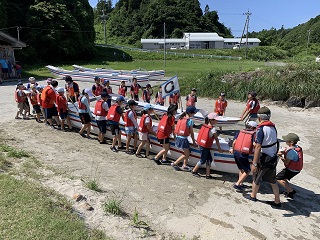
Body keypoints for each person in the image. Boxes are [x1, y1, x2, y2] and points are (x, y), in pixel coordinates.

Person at [246, 106, 281, 208]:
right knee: (272, 181)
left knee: (256, 178)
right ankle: (277, 201)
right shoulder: (273, 127)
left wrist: (254, 163)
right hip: (272, 158)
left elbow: (258, 146)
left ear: (259, 118)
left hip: (264, 158)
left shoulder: (261, 129)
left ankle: (253, 196)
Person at [191, 112, 223, 179]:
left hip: (203, 145)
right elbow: (216, 140)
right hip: (205, 147)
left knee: (209, 159)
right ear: (211, 120)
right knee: (203, 160)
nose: (217, 121)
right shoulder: (213, 129)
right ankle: (194, 171)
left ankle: (208, 175)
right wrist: (219, 148)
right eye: (216, 120)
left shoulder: (204, 126)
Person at [230, 121, 258, 191]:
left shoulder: (240, 132)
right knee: (248, 170)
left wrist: (233, 150)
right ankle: (237, 183)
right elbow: (254, 144)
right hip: (243, 154)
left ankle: (240, 184)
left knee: (241, 169)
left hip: (236, 153)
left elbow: (234, 142)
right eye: (255, 128)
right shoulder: (253, 134)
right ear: (252, 128)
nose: (255, 130)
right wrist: (256, 150)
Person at [276, 133, 303, 199]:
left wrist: (280, 156)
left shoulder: (291, 152)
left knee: (278, 178)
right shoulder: (298, 148)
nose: (285, 141)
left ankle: (291, 191)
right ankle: (289, 191)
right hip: (297, 169)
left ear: (291, 142)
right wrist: (285, 151)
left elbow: (286, 162)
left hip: (292, 169)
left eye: (287, 140)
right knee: (284, 179)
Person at [171, 106, 198, 171]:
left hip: (178, 138)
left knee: (187, 152)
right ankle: (175, 163)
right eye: (194, 113)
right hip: (183, 139)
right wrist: (194, 142)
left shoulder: (181, 118)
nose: (194, 114)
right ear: (191, 113)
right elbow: (191, 133)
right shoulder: (190, 121)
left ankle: (184, 165)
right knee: (187, 153)